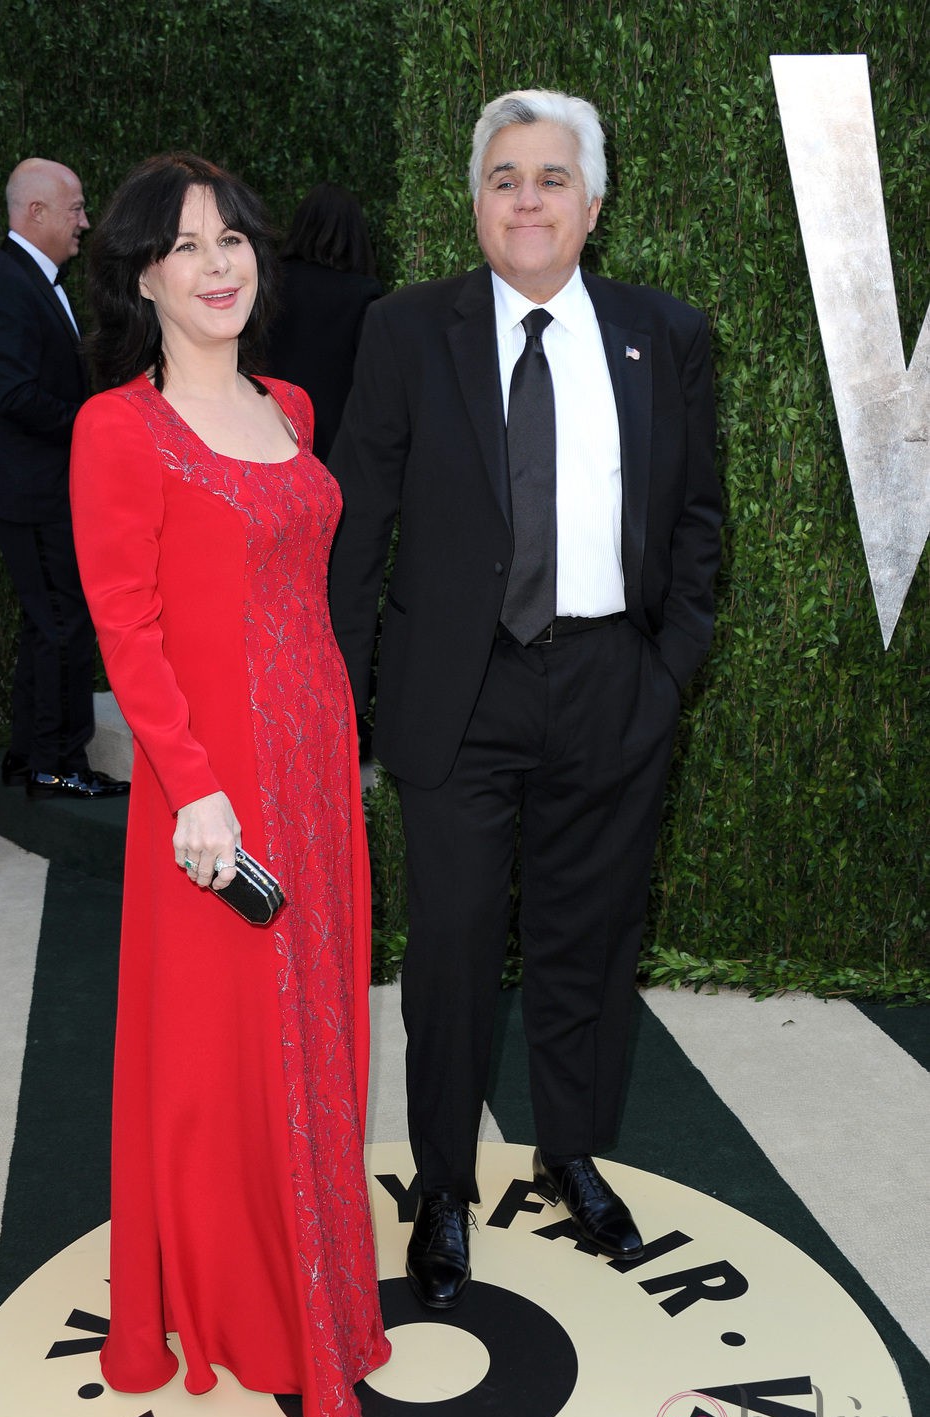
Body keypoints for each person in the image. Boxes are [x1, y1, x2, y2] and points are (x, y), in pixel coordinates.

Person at [328, 89, 722, 1311]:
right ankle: (441, 1187)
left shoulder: (668, 332)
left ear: (591, 204)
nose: (527, 199)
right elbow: (353, 534)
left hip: (613, 686)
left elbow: (698, 523)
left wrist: (663, 676)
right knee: (446, 953)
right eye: (504, 177)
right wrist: (338, 712)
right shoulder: (405, 332)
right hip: (458, 697)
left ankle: (568, 1157)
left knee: (585, 947)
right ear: (475, 201)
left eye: (551, 178)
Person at [69, 152, 390, 1417]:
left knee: (313, 1029)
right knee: (219, 1055)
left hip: (316, 768)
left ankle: (310, 1281)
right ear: (144, 273)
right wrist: (192, 790)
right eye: (187, 246)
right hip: (214, 793)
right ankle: (242, 1302)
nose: (219, 265)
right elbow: (127, 622)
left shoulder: (296, 406)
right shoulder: (117, 427)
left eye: (233, 240)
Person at [0, 157, 128, 797]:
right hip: (31, 493)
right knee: (64, 621)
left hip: (35, 489)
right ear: (36, 213)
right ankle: (59, 765)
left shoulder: (26, 280)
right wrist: (94, 421)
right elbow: (13, 395)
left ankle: (30, 755)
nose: (84, 222)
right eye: (76, 208)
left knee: (47, 622)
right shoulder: (8, 284)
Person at [263, 183, 382, 461]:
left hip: (263, 432)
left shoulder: (266, 284)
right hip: (333, 448)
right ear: (355, 233)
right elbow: (372, 384)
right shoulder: (362, 294)